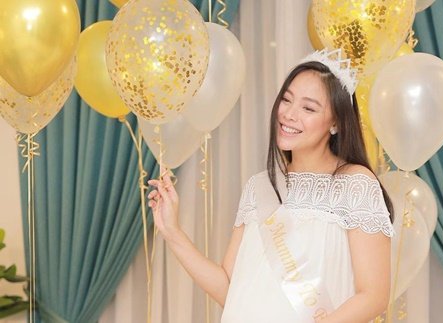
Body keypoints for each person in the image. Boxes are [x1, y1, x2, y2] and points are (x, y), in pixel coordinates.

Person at [148, 48, 394, 322]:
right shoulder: (260, 186)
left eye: (308, 108)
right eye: (286, 100)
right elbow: (230, 288)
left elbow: (373, 296)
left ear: (335, 122)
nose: (289, 114)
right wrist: (173, 232)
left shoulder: (355, 184)